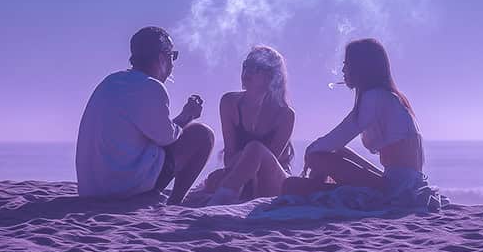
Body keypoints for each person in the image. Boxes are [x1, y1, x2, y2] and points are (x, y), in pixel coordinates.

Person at [75, 26, 214, 204]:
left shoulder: (110, 81)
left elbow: (151, 133)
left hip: (91, 188)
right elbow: (165, 138)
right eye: (173, 56)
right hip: (122, 188)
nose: (172, 64)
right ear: (162, 57)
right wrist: (187, 116)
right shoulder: (151, 86)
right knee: (203, 134)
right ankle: (174, 203)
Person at [282, 38, 425, 197]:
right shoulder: (388, 96)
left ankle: (313, 188)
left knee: (315, 159)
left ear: (361, 67)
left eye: (346, 64)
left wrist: (311, 152)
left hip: (397, 187)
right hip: (406, 182)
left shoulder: (375, 96)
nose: (343, 70)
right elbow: (336, 143)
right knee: (336, 152)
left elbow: (340, 135)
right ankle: (314, 187)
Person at [202, 46, 296, 206]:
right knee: (213, 180)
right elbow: (229, 157)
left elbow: (265, 162)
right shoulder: (229, 103)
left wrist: (245, 157)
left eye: (257, 67)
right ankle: (226, 194)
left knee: (255, 149)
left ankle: (217, 204)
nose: (248, 71)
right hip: (242, 176)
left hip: (271, 182)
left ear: (272, 75)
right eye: (246, 65)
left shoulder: (285, 114)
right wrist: (241, 161)